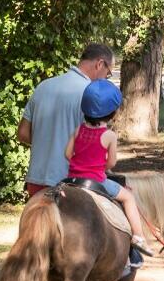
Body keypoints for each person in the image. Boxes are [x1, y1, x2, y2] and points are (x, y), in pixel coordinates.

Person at [65, 80, 156, 257]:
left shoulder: (78, 130)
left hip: (72, 180)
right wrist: (99, 167)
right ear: (112, 113)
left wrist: (80, 163)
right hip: (96, 181)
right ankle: (138, 237)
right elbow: (112, 163)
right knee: (128, 197)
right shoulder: (109, 136)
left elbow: (67, 154)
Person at [18, 43, 114, 197]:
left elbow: (23, 133)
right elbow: (96, 143)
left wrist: (49, 143)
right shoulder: (91, 95)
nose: (105, 79)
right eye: (108, 73)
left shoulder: (43, 86)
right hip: (70, 183)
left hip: (35, 181)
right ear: (100, 64)